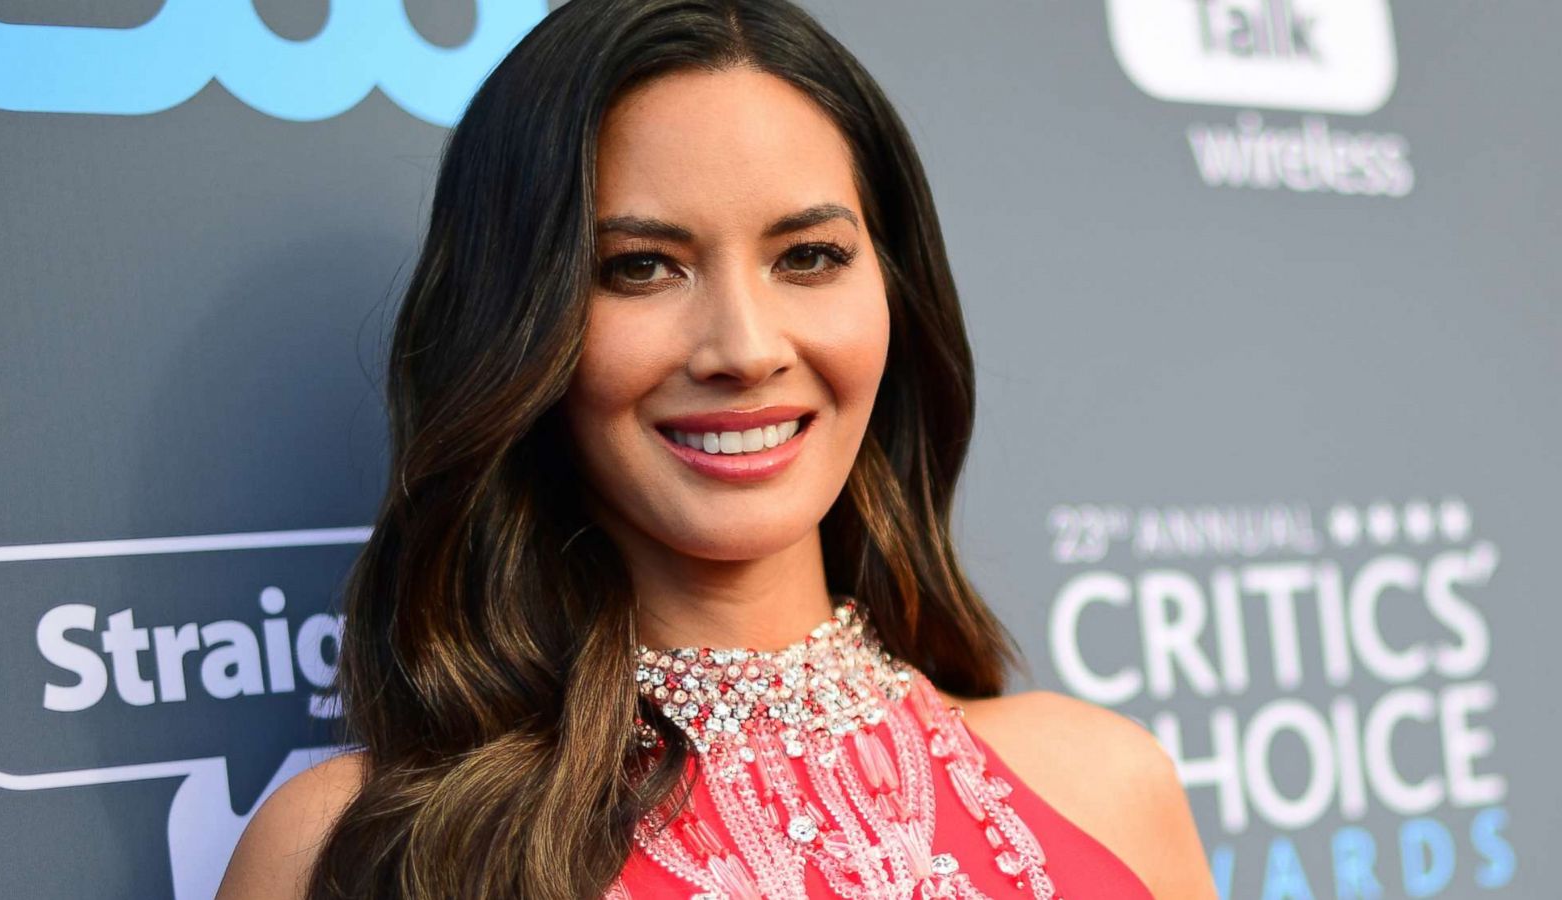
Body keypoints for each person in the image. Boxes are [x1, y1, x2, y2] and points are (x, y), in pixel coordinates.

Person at [216, 0, 1217, 897]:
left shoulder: (1104, 788)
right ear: (519, 327)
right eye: (641, 267)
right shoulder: (356, 856)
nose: (744, 349)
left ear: (893, 299)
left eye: (808, 257)